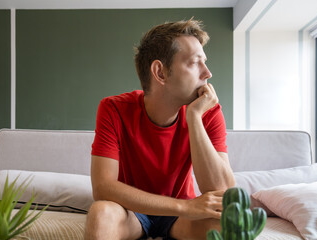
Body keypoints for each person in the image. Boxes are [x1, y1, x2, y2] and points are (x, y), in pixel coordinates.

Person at [85, 18, 235, 240]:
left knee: (225, 223)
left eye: (205, 62)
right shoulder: (114, 109)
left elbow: (222, 190)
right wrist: (184, 207)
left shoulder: (208, 112)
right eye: (195, 62)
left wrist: (194, 118)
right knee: (100, 213)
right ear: (160, 72)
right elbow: (103, 188)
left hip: (183, 219)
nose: (207, 73)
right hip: (131, 212)